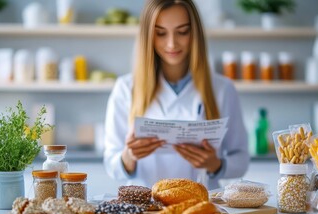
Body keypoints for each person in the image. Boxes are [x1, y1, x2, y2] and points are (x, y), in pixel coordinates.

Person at [104, 0, 249, 190]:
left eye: (182, 32)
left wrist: (215, 164)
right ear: (148, 36)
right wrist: (128, 156)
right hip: (146, 207)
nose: (172, 43)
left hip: (204, 204)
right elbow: (111, 164)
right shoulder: (125, 88)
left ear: (195, 33)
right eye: (161, 33)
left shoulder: (222, 89)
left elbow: (241, 160)